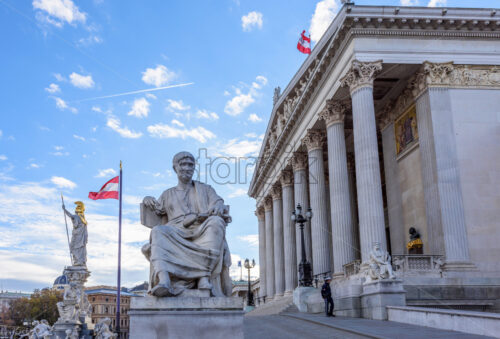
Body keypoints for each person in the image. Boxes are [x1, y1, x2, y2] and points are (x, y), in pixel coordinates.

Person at [141, 151, 233, 297]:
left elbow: (218, 201)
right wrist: (147, 199)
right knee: (158, 231)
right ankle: (164, 281)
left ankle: (204, 277)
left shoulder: (205, 189)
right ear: (175, 168)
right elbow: (154, 211)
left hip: (200, 229)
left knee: (216, 222)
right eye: (183, 164)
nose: (187, 168)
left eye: (190, 165)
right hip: (175, 231)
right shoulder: (167, 194)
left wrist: (219, 206)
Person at [62, 201, 88, 266]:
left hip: (78, 237)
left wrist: (64, 209)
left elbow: (70, 215)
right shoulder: (84, 221)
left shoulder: (77, 217)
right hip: (79, 237)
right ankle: (78, 261)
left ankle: (78, 261)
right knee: (79, 249)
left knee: (76, 248)